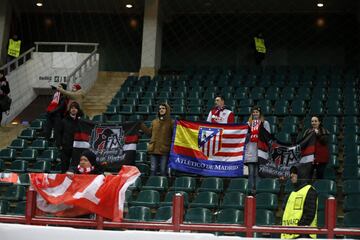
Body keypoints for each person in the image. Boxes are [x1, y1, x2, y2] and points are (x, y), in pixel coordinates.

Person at [281, 165, 318, 239]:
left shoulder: (310, 191)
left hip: (303, 235)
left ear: (302, 174)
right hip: (288, 234)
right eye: (291, 173)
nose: (291, 175)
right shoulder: (291, 193)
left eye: (295, 173)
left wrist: (299, 228)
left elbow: (309, 214)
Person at [140, 103, 174, 176]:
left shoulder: (171, 122)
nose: (161, 110)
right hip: (153, 149)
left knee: (163, 170)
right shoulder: (154, 122)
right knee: (153, 170)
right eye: (160, 108)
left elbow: (174, 135)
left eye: (163, 108)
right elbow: (149, 133)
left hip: (164, 150)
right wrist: (141, 126)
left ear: (167, 110)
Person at [244, 106, 271, 194]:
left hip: (261, 151)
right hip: (250, 151)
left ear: (260, 113)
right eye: (254, 112)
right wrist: (250, 133)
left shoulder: (265, 123)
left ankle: (258, 191)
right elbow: (244, 138)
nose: (255, 113)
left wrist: (259, 130)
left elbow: (268, 137)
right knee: (251, 172)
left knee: (258, 173)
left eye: (257, 112)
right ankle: (250, 191)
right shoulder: (248, 123)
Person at [56, 102, 83, 173]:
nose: (74, 109)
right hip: (66, 147)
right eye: (72, 108)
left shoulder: (81, 121)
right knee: (64, 166)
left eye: (75, 108)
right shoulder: (64, 121)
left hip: (77, 147)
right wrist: (60, 144)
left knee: (76, 167)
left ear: (78, 110)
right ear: (69, 110)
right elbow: (58, 133)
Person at [303, 115, 330, 179]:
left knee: (320, 176)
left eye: (315, 121)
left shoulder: (324, 131)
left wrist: (318, 134)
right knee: (308, 176)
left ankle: (320, 188)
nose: (313, 123)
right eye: (312, 121)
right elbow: (304, 143)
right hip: (309, 157)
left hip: (321, 158)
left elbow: (325, 142)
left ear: (319, 122)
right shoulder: (307, 131)